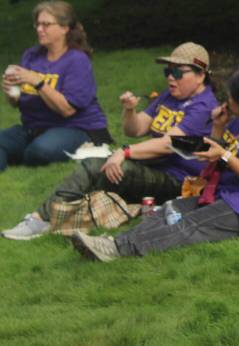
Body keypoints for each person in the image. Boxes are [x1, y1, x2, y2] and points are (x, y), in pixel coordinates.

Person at [2, 42, 219, 241]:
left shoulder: (204, 106)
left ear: (200, 76)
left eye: (178, 72)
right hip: (153, 166)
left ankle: (40, 220)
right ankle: (52, 220)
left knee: (96, 167)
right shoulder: (169, 97)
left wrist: (124, 152)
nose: (170, 77)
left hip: (177, 180)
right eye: (167, 71)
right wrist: (129, 110)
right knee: (100, 175)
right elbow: (136, 129)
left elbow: (167, 143)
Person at [70, 65, 239, 261]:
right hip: (223, 193)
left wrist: (224, 155)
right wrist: (218, 128)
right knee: (170, 210)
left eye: (231, 97)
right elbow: (217, 155)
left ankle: (118, 249)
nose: (227, 100)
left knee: (190, 225)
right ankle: (117, 242)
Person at [0, 0, 110, 171]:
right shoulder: (31, 55)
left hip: (76, 128)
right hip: (34, 127)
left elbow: (67, 110)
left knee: (39, 152)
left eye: (46, 24)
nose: (39, 29)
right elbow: (18, 102)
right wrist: (11, 92)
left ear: (65, 28)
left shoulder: (76, 60)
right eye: (37, 24)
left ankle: (21, 153)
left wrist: (37, 81)